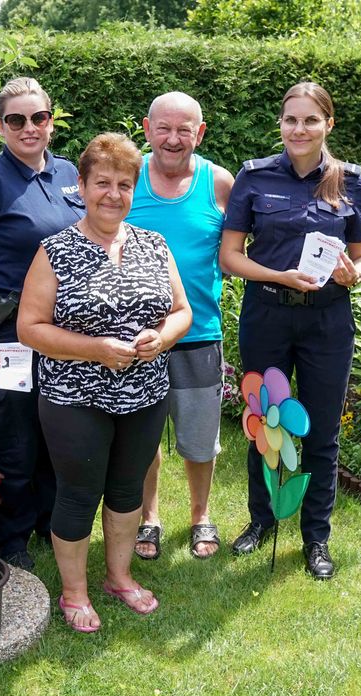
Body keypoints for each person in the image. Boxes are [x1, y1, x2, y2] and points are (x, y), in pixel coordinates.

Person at [18, 133, 192, 633]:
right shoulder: (56, 250)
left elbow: (183, 312)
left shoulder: (153, 245)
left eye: (123, 184)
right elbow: (29, 328)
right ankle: (74, 592)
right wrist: (96, 349)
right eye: (102, 183)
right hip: (75, 397)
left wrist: (160, 337)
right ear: (81, 186)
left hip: (144, 394)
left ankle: (118, 577)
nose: (112, 194)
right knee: (78, 492)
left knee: (125, 491)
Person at [218, 81, 361, 580]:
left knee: (322, 431)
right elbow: (230, 257)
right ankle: (261, 520)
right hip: (268, 315)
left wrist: (355, 273)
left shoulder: (350, 181)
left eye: (310, 120)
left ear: (328, 124)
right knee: (265, 425)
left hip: (328, 320)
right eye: (291, 120)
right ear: (281, 124)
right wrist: (280, 276)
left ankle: (316, 538)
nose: (299, 129)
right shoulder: (255, 177)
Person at [0, 77, 84, 571]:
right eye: (16, 120)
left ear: (51, 120)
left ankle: (51, 523)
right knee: (12, 440)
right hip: (5, 334)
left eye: (39, 118)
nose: (29, 128)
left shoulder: (71, 174)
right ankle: (10, 540)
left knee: (57, 432)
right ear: (0, 125)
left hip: (62, 333)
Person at [125, 92, 235, 560]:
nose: (173, 139)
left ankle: (200, 515)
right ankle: (149, 518)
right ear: (146, 130)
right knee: (142, 437)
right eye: (163, 129)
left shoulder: (219, 183)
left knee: (198, 437)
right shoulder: (128, 179)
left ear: (200, 133)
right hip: (134, 338)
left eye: (183, 129)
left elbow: (239, 250)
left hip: (199, 334)